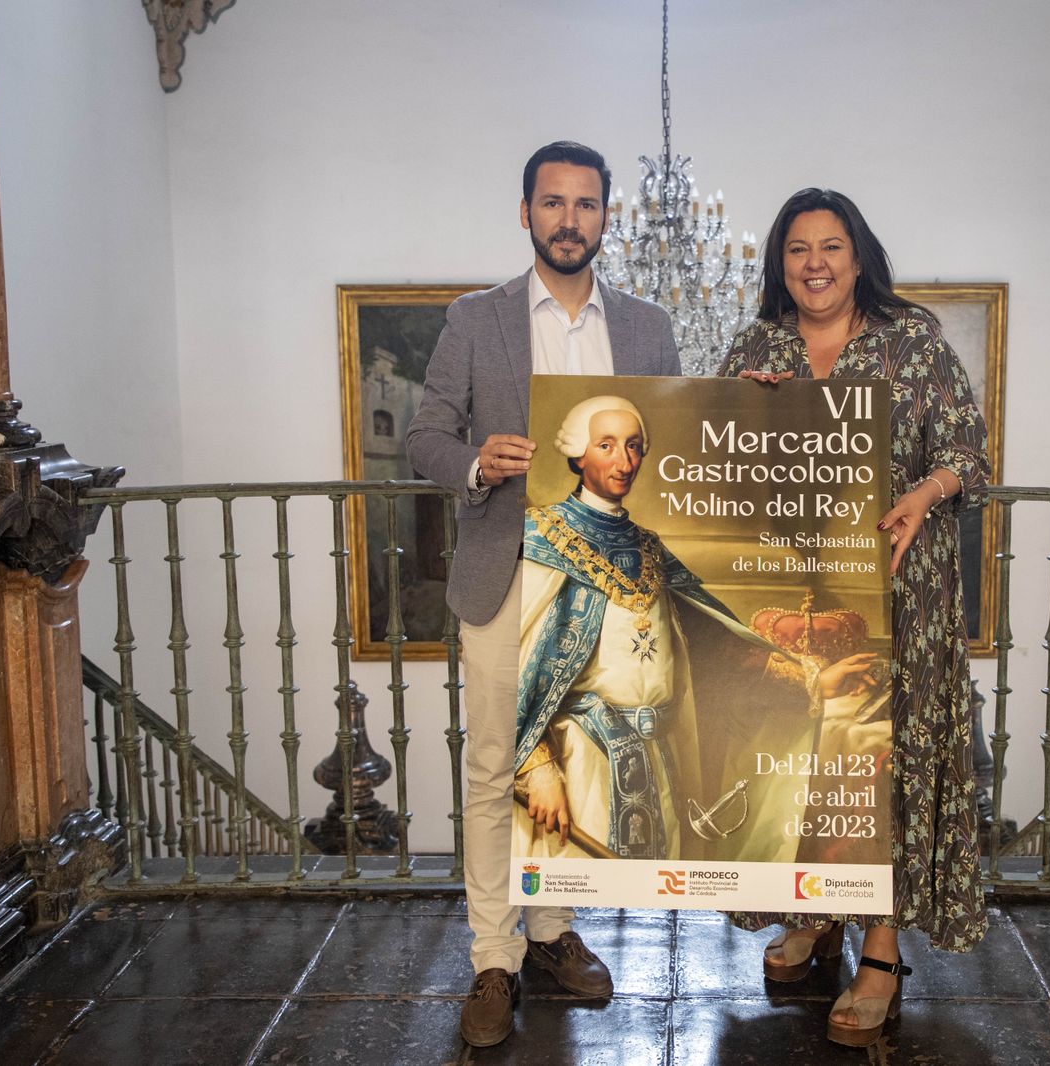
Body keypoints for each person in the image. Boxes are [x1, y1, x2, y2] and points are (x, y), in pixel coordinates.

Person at [405, 141, 680, 1050]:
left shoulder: (646, 327)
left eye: (587, 204)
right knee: (497, 768)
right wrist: (478, 461)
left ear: (607, 217)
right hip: (506, 575)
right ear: (525, 212)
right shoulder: (474, 319)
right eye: (553, 203)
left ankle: (552, 936)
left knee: (568, 758)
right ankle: (494, 958)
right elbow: (424, 438)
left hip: (605, 581)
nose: (570, 219)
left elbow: (674, 442)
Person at [720, 188, 991, 1047]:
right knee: (809, 748)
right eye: (797, 249)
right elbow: (718, 462)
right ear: (781, 265)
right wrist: (740, 407)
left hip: (903, 593)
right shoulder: (757, 345)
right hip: (798, 589)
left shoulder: (912, 339)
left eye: (830, 246)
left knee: (888, 759)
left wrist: (925, 490)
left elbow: (967, 453)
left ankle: (880, 945)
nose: (815, 263)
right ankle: (818, 912)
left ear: (858, 254)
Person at [513, 395, 880, 863]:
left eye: (634, 446)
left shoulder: (649, 548)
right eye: (606, 446)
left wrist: (813, 681)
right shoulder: (545, 539)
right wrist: (540, 770)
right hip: (585, 759)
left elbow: (718, 651)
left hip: (661, 761)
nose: (624, 461)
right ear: (577, 453)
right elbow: (524, 671)